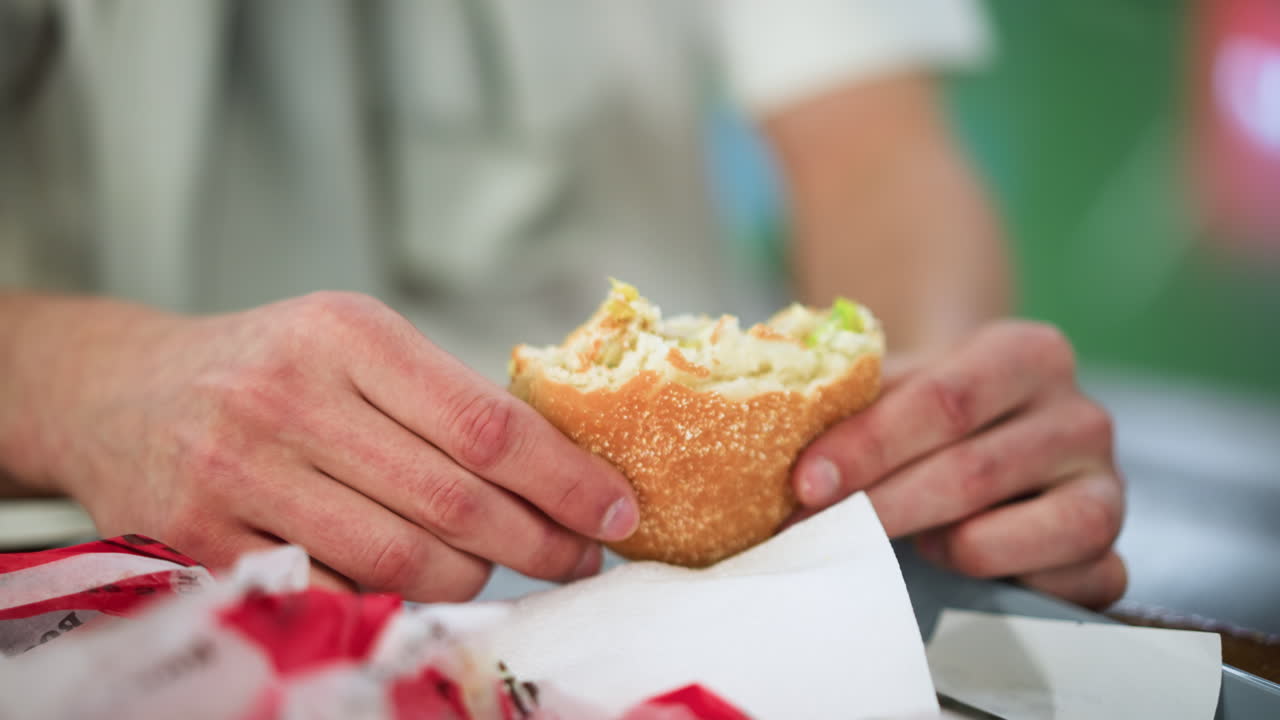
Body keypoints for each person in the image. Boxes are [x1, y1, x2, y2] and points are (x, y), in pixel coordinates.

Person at [0, 1, 1125, 609]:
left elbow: (873, 147)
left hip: (705, 592)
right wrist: (80, 385)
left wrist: (935, 406)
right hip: (114, 587)